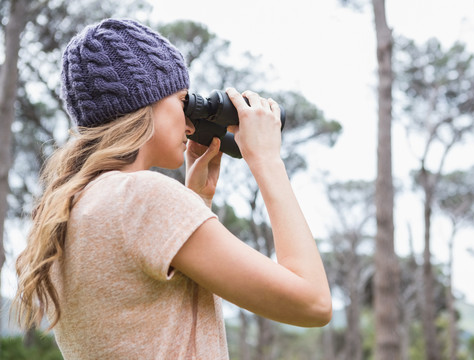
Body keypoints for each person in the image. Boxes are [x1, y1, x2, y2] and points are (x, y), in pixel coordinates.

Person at [13, 18, 332, 359]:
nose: (191, 121)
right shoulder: (143, 197)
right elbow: (312, 303)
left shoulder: (72, 206)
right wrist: (267, 161)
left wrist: (195, 204)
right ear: (145, 102)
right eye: (182, 102)